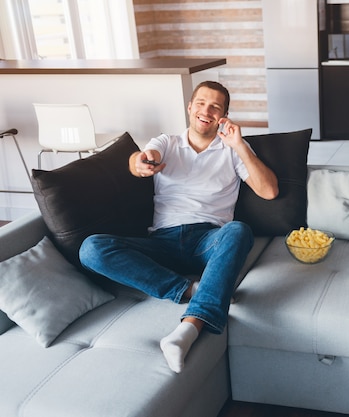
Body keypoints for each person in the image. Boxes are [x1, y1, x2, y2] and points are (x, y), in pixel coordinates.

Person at [79, 81, 278, 373]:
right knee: (91, 249)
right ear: (190, 107)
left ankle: (188, 330)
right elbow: (141, 160)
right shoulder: (167, 142)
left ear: (223, 115)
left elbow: (270, 191)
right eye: (200, 103)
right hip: (162, 242)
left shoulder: (232, 149)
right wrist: (142, 163)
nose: (205, 111)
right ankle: (189, 290)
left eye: (215, 107)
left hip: (207, 241)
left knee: (238, 231)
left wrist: (239, 145)